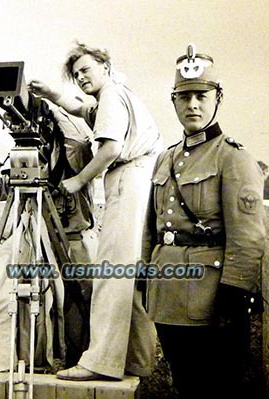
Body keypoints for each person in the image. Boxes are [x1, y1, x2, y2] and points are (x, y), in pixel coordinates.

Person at [28, 42, 162, 380]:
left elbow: (110, 148)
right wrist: (52, 93)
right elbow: (80, 108)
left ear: (105, 65)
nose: (81, 77)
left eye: (86, 69)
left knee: (111, 276)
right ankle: (138, 361)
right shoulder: (115, 96)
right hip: (140, 179)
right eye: (76, 74)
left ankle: (99, 361)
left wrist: (78, 180)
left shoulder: (113, 96)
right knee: (128, 278)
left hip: (128, 179)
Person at [145, 44, 266, 398]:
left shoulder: (234, 157)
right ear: (174, 102)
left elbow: (249, 236)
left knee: (216, 389)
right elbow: (150, 227)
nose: (193, 105)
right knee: (184, 385)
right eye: (184, 97)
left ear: (218, 98)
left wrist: (233, 294)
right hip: (167, 294)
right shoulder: (165, 159)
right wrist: (144, 275)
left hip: (212, 300)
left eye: (201, 95)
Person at [0, 102, 97, 372]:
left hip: (71, 240)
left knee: (77, 306)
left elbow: (78, 142)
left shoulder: (73, 157)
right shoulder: (28, 157)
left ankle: (77, 362)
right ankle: (31, 361)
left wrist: (52, 107)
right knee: (33, 305)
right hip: (37, 241)